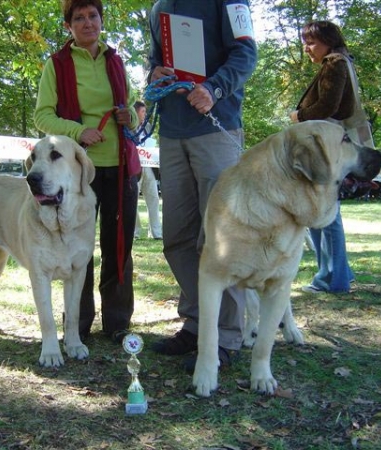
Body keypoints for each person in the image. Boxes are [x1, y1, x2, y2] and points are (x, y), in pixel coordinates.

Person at [147, 0, 257, 370]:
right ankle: (196, 325)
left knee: (220, 240)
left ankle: (225, 335)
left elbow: (246, 53)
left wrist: (215, 88)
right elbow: (153, 61)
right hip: (172, 133)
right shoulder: (159, 6)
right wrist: (154, 75)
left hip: (216, 128)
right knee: (177, 237)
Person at [34, 0, 140, 343]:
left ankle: (118, 322)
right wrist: (79, 133)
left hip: (120, 166)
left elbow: (133, 111)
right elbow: (42, 117)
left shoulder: (116, 61)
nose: (87, 23)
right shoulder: (57, 64)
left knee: (118, 247)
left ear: (101, 20)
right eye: (78, 18)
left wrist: (130, 117)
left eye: (92, 16)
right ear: (69, 26)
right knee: (75, 246)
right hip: (76, 176)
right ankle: (76, 325)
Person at [289, 20, 357, 294]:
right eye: (305, 42)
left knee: (325, 215)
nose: (307, 48)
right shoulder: (338, 63)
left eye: (312, 42)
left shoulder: (334, 63)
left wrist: (299, 116)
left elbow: (330, 105)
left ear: (329, 41)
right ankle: (339, 273)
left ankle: (332, 279)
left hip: (324, 149)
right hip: (326, 147)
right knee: (323, 213)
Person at [133, 101, 162, 240]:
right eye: (143, 112)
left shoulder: (148, 126)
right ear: (136, 112)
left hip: (149, 167)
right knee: (133, 201)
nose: (145, 115)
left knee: (154, 198)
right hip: (134, 167)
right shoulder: (128, 127)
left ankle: (156, 232)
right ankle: (134, 232)